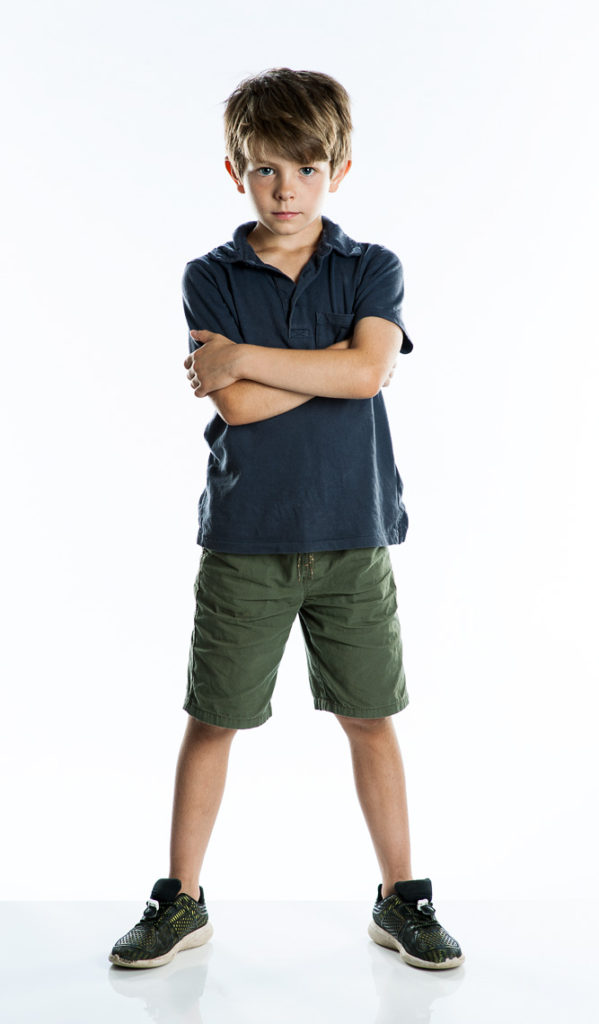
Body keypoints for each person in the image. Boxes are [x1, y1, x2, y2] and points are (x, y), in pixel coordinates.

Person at [109, 67, 464, 972]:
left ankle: (401, 896)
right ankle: (180, 899)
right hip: (245, 540)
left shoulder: (369, 267)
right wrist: (319, 366)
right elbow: (233, 407)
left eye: (305, 170)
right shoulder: (210, 274)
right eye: (266, 170)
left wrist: (253, 361)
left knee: (371, 717)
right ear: (236, 172)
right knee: (214, 718)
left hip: (354, 534)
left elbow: (364, 376)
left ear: (337, 171)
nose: (285, 189)